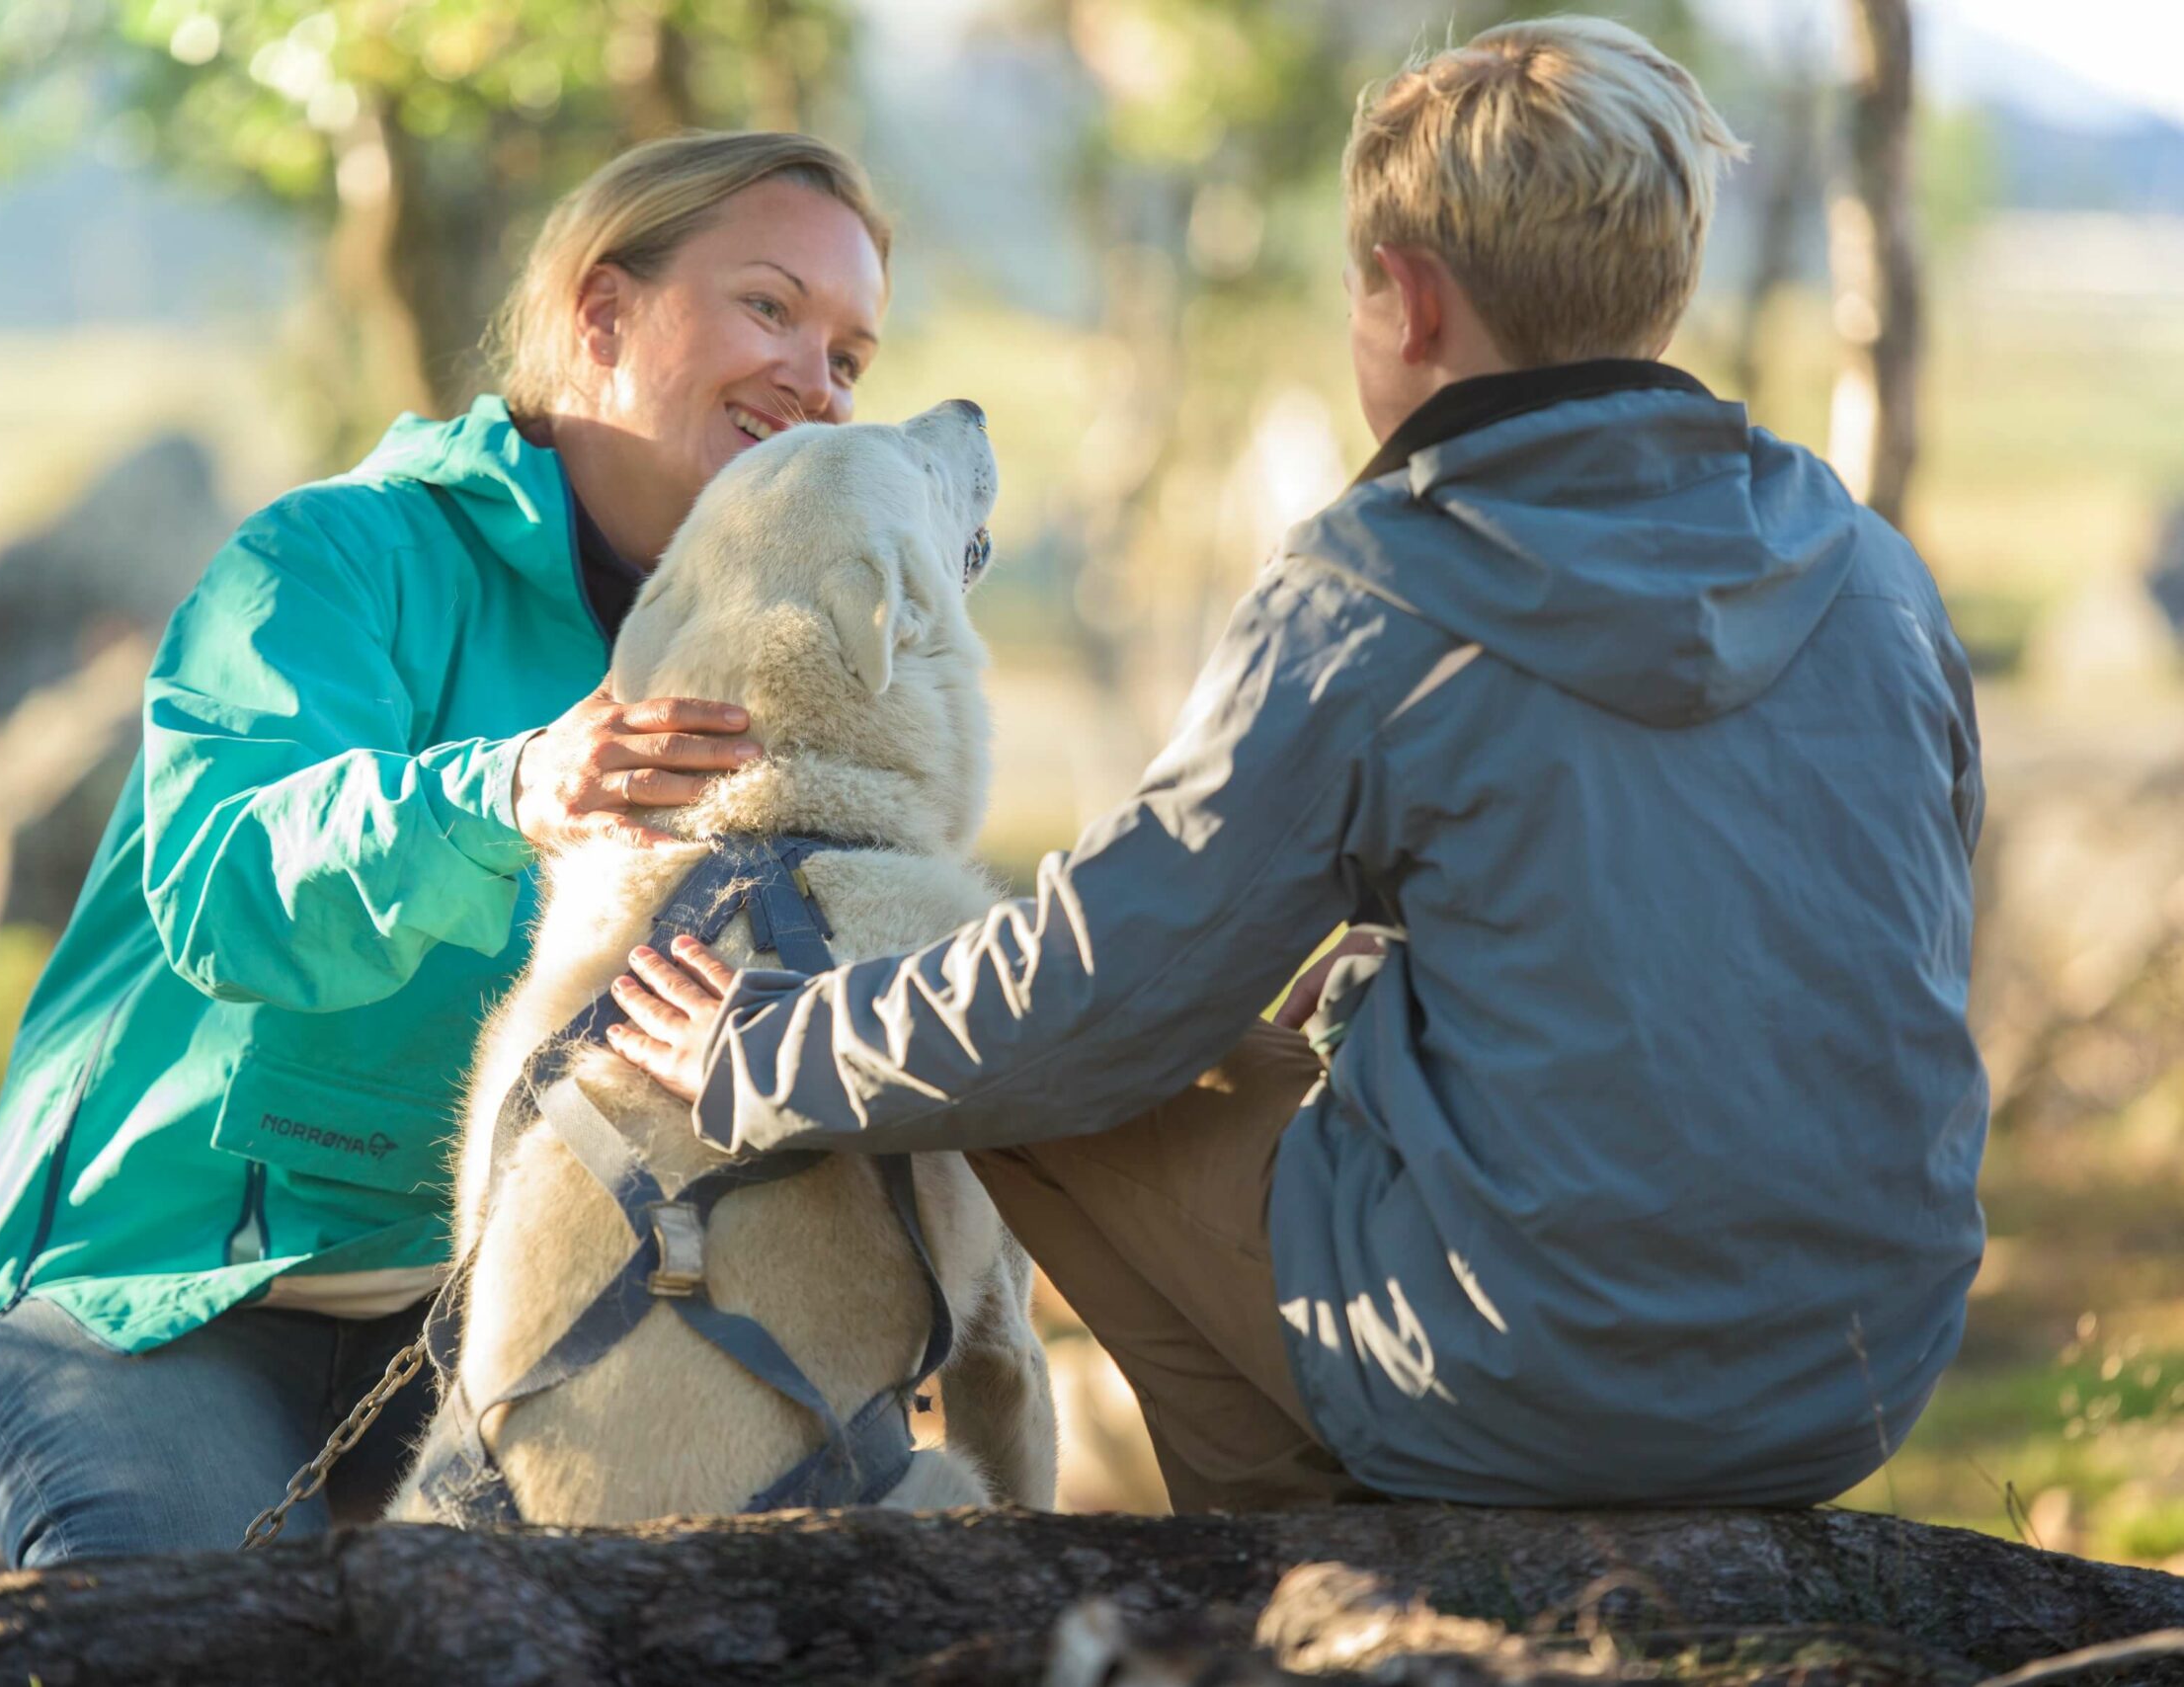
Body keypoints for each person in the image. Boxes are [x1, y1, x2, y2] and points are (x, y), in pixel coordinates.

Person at [608, 17, 1988, 1513]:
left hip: (1546, 1383)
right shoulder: (1870, 569)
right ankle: (1352, 1556)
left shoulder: (1385, 586)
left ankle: (1291, 1558)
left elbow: (1099, 993)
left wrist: (769, 1051)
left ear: (1404, 299)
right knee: (1233, 1034)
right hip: (1861, 1374)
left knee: (1065, 1056)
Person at [0, 129, 893, 1563]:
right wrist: (506, 793)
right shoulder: (323, 561)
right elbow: (227, 887)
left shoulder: (767, 659)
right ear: (600, 314)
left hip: (495, 1317)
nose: (813, 384)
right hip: (152, 1302)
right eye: (770, 307)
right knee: (200, 1653)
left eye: (850, 358)